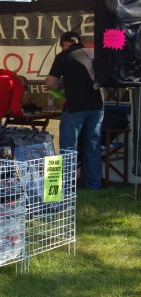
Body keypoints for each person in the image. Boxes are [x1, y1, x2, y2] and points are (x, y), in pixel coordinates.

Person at [46, 31, 104, 190]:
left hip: (76, 106)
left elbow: (50, 84)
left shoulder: (64, 56)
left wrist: (62, 87)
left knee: (68, 147)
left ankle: (67, 188)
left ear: (65, 44)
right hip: (98, 106)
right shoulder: (94, 54)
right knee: (93, 146)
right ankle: (94, 186)